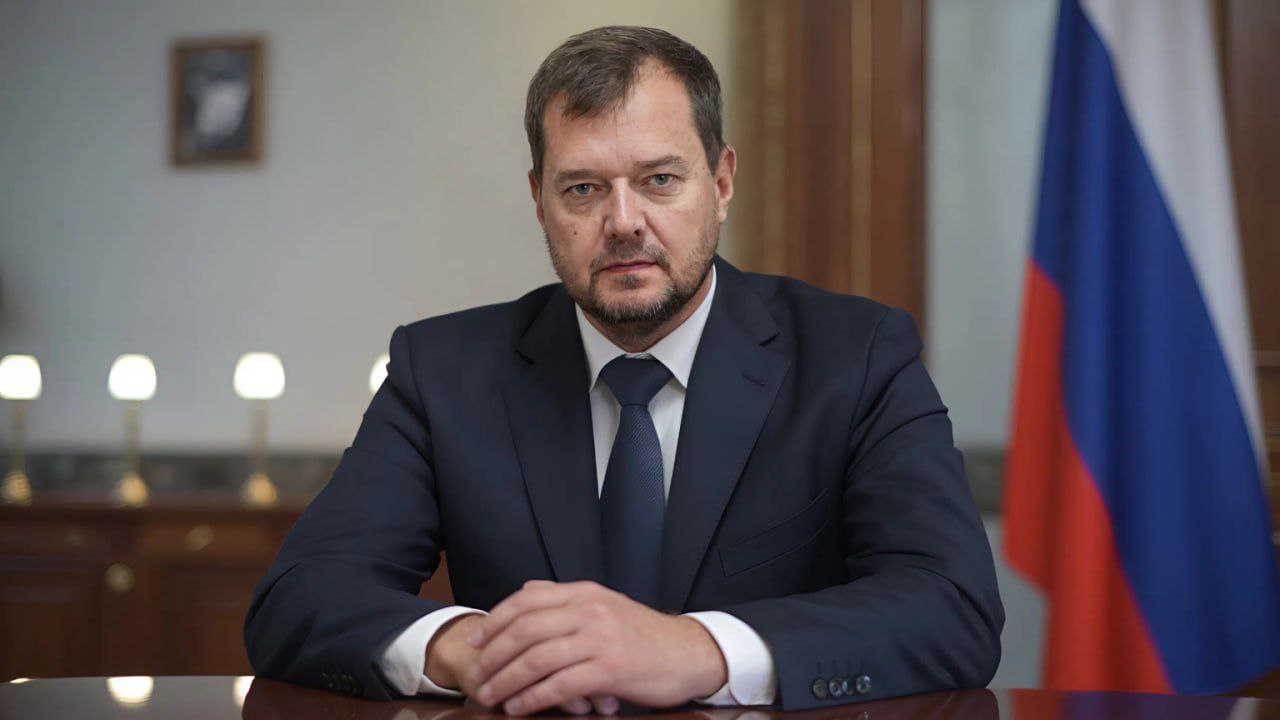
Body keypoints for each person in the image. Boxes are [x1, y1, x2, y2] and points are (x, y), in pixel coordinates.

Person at [244, 25, 1003, 714]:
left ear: (722, 183)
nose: (624, 222)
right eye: (583, 189)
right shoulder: (442, 371)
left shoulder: (857, 356)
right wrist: (470, 646)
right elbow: (299, 598)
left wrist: (697, 650)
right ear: (540, 201)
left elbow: (952, 606)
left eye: (659, 180)